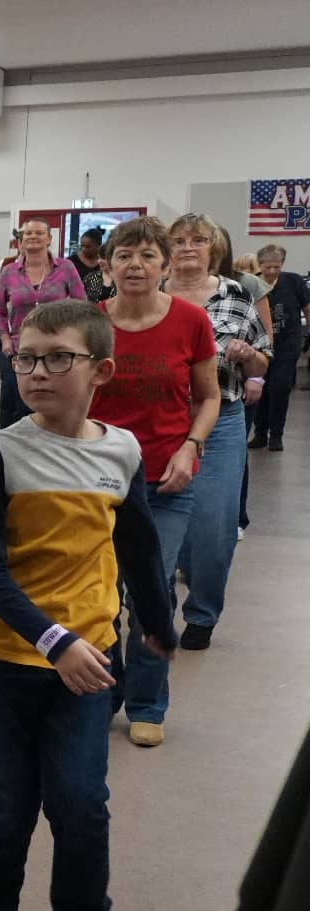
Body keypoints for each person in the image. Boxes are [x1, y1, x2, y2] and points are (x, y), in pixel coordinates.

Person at [0, 298, 176, 911]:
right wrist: (55, 642)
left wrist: (158, 623)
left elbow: (137, 541)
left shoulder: (121, 451)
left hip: (88, 663)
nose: (37, 372)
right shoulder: (1, 452)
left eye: (57, 358)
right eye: (25, 357)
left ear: (100, 369)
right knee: (8, 804)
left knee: (81, 802)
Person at [86, 215, 219, 749]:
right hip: (97, 480)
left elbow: (209, 397)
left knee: (150, 592)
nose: (135, 265)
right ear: (107, 264)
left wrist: (193, 445)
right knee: (98, 594)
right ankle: (101, 694)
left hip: (166, 482)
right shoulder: (90, 323)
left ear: (165, 265)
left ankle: (146, 701)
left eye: (146, 256)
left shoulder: (190, 321)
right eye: (124, 255)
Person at [163, 214, 269, 652]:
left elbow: (263, 359)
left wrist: (249, 359)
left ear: (215, 249)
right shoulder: (148, 295)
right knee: (157, 523)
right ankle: (156, 611)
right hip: (161, 420)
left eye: (198, 240)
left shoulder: (236, 296)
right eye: (180, 240)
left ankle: (203, 613)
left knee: (212, 524)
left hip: (221, 420)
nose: (188, 247)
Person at [0, 219, 88, 429]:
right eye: (28, 233)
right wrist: (5, 338)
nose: (33, 236)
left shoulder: (66, 268)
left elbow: (82, 306)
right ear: (21, 241)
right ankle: (9, 451)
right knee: (13, 403)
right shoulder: (9, 272)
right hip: (19, 350)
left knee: (49, 403)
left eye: (39, 233)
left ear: (49, 239)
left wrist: (72, 338)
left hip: (56, 350)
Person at [247, 245, 308, 451]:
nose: (272, 271)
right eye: (267, 267)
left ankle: (277, 434)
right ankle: (260, 432)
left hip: (287, 345)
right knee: (260, 389)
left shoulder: (294, 282)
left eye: (277, 266)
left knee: (280, 388)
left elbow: (308, 307)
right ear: (260, 265)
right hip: (260, 346)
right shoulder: (252, 283)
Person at [74, 227, 114, 302]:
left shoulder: (106, 263)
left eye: (88, 247)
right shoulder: (72, 261)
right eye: (82, 246)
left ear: (98, 246)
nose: (84, 249)